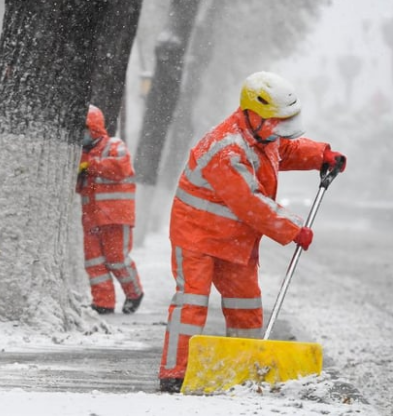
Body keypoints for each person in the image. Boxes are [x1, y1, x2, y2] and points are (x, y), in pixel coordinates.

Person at [158, 71, 347, 393]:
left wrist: (320, 155)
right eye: (275, 122)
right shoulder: (226, 149)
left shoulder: (263, 135)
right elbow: (251, 203)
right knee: (192, 304)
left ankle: (243, 368)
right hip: (197, 236)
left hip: (234, 238)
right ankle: (175, 373)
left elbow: (284, 151)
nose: (279, 130)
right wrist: (293, 229)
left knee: (246, 305)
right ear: (253, 112)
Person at [76, 105, 144, 315]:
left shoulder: (115, 145)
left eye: (85, 129)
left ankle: (134, 293)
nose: (82, 135)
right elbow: (84, 187)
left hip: (116, 216)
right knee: (94, 262)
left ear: (94, 128)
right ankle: (103, 302)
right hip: (92, 217)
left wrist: (91, 164)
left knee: (118, 259)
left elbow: (120, 168)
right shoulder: (81, 155)